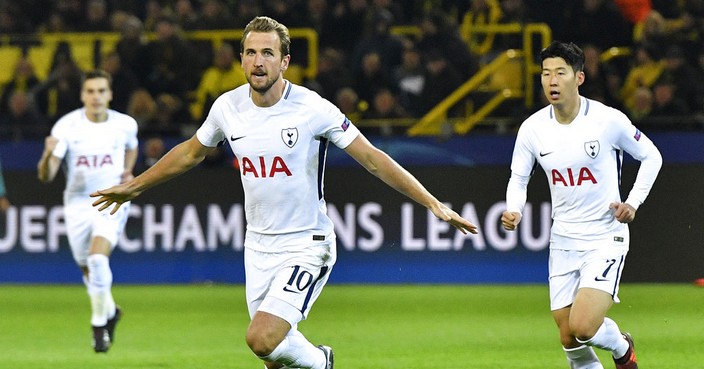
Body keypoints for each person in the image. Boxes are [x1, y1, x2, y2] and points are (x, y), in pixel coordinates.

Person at [90, 16, 478, 369]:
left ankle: (322, 362)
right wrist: (134, 186)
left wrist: (431, 202)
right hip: (257, 246)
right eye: (251, 53)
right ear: (241, 59)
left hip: (307, 244)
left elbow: (374, 159)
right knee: (275, 359)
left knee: (261, 338)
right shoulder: (227, 107)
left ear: (285, 62)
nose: (258, 62)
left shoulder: (312, 109)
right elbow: (191, 152)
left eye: (268, 53)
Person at [501, 41, 661, 369]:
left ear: (579, 78)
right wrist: (514, 209)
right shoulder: (532, 129)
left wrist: (633, 202)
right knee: (568, 336)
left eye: (560, 72)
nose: (552, 81)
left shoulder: (607, 121)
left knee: (584, 326)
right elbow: (519, 178)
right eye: (546, 74)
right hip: (563, 240)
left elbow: (651, 156)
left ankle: (621, 346)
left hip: (605, 237)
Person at [37, 70, 139, 353]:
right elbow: (47, 175)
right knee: (87, 270)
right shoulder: (66, 127)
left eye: (101, 91)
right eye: (91, 91)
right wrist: (47, 155)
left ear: (110, 94)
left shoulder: (125, 124)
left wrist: (128, 170)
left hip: (111, 198)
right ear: (83, 95)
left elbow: (132, 147)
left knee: (96, 259)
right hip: (77, 203)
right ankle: (111, 311)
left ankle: (98, 326)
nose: (96, 97)